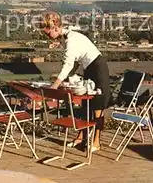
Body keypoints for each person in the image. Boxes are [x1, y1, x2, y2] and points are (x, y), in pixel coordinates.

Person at [40, 11, 110, 152]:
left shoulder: (71, 40)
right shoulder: (67, 37)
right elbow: (76, 61)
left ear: (55, 28)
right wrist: (65, 77)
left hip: (98, 69)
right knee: (85, 105)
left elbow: (68, 64)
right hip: (89, 68)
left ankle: (96, 142)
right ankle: (81, 137)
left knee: (97, 107)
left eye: (48, 34)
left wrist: (55, 86)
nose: (47, 37)